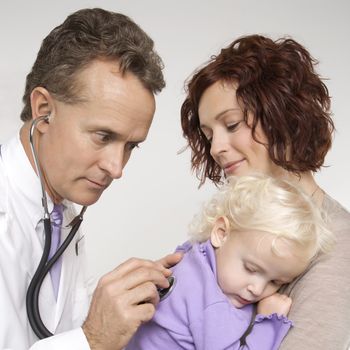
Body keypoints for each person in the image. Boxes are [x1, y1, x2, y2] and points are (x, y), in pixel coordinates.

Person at [0, 7, 182, 350]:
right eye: (103, 136)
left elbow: (58, 327)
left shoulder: (60, 216)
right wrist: (95, 339)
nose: (117, 168)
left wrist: (127, 300)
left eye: (131, 146)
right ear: (43, 110)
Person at [180, 34, 350, 349]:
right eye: (208, 134)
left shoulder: (337, 242)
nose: (216, 148)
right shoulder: (234, 217)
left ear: (281, 116)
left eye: (231, 125)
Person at [126, 174, 333, 349]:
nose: (257, 289)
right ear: (221, 233)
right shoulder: (211, 303)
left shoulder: (194, 255)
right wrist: (269, 322)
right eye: (251, 269)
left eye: (276, 282)